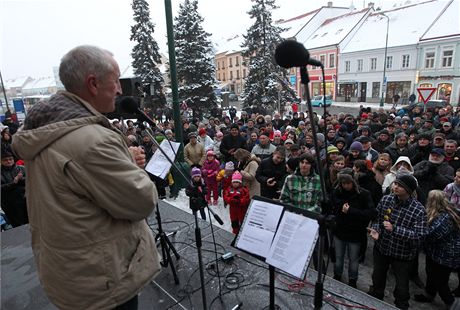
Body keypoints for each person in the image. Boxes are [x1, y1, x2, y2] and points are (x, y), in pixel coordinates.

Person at [11, 45, 160, 309]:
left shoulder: (44, 127)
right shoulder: (93, 142)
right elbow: (141, 201)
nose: (120, 90)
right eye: (115, 81)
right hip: (104, 280)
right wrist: (132, 167)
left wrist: (122, 160)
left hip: (70, 273)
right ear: (93, 84)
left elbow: (77, 185)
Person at [368, 174, 428, 310]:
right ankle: (373, 302)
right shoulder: (386, 199)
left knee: (402, 287)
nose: (395, 187)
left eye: (400, 185)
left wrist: (395, 229)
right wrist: (376, 229)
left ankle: (401, 306)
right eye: (395, 183)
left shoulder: (418, 210)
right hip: (382, 249)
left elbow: (420, 236)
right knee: (377, 279)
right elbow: (377, 218)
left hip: (402, 255)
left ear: (409, 190)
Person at [413, 190, 460, 309]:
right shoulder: (444, 212)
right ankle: (429, 294)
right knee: (430, 273)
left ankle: (453, 305)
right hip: (436, 252)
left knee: (440, 281)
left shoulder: (445, 218)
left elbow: (431, 235)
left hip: (445, 255)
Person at [332, 168, 376, 288]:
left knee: (353, 259)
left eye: (348, 183)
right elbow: (333, 204)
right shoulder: (337, 191)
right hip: (340, 230)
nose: (346, 186)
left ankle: (352, 280)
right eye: (343, 183)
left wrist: (351, 211)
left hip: (356, 233)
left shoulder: (364, 194)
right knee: (339, 257)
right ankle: (337, 275)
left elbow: (371, 213)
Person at [1, 148, 28, 227]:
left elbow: (31, 180)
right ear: (1, 161)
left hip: (24, 199)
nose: (9, 161)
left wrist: (21, 179)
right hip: (10, 203)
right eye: (5, 160)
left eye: (10, 159)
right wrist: (14, 182)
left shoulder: (21, 168)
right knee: (17, 225)